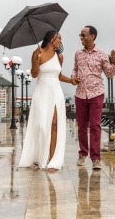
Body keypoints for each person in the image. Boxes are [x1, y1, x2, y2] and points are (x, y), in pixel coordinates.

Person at [18, 30, 77, 172]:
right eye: (59, 38)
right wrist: (37, 59)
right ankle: (39, 158)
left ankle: (52, 160)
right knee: (41, 126)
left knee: (54, 125)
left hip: (56, 92)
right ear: (51, 39)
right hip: (42, 92)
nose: (61, 41)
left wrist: (71, 80)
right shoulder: (37, 53)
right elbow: (34, 74)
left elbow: (58, 75)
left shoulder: (60, 56)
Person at [72, 25, 115, 170]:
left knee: (95, 126)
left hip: (96, 93)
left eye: (83, 35)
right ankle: (82, 153)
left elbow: (109, 74)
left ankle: (96, 158)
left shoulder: (102, 54)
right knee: (82, 127)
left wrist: (114, 62)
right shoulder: (78, 54)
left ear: (92, 36)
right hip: (80, 94)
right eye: (80, 35)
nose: (81, 37)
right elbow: (74, 70)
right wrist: (74, 77)